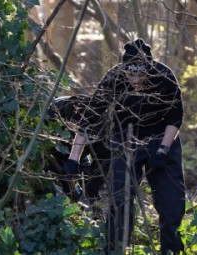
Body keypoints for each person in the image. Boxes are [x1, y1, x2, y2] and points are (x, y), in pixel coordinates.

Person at [62, 38, 186, 254]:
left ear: (149, 69)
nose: (136, 80)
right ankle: (116, 249)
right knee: (120, 203)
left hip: (162, 138)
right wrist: (74, 158)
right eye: (131, 75)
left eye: (141, 75)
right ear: (124, 70)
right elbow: (89, 118)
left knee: (172, 205)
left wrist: (163, 150)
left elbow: (176, 117)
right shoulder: (113, 78)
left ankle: (171, 250)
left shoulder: (164, 77)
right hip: (125, 141)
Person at [45, 95, 110, 203]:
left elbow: (103, 160)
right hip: (54, 151)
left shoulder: (101, 126)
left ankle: (86, 207)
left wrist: (92, 189)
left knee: (87, 190)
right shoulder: (52, 113)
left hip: (80, 155)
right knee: (55, 185)